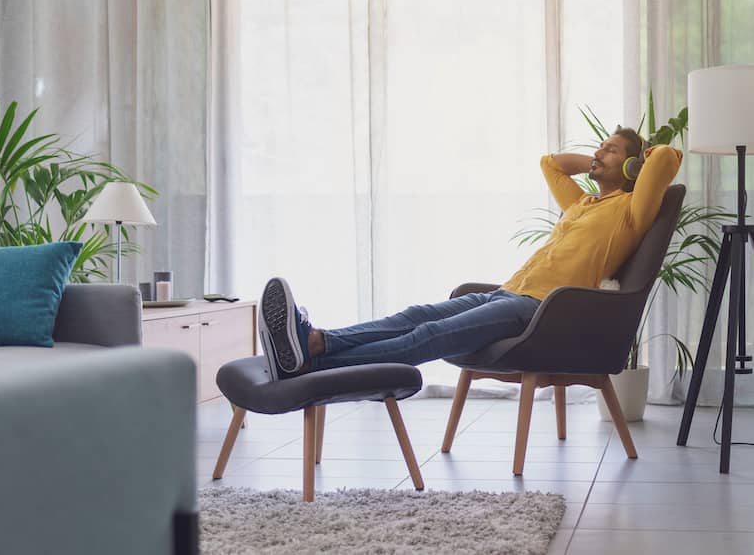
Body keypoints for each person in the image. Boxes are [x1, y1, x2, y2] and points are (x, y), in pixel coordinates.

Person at [258, 127, 683, 380]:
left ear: (632, 168)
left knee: (423, 339)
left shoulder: (631, 211)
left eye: (610, 150)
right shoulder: (582, 204)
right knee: (413, 316)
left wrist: (642, 160)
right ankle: (316, 343)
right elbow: (549, 164)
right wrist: (601, 159)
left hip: (539, 309)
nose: (597, 154)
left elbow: (667, 157)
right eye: (600, 146)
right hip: (503, 294)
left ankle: (312, 367)